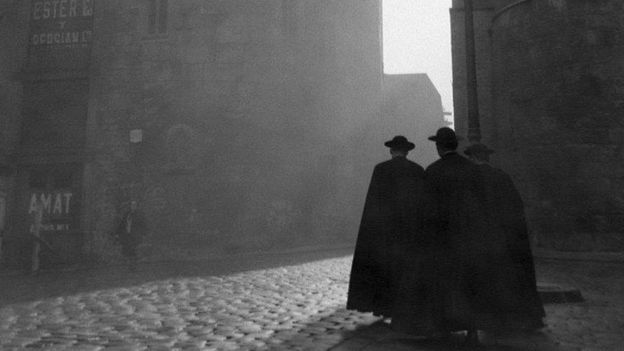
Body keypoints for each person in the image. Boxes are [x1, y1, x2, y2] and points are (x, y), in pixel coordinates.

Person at [413, 127, 498, 345]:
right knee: (469, 283)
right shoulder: (472, 169)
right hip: (468, 237)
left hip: (441, 238)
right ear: (456, 146)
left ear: (439, 147)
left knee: (443, 283)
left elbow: (425, 208)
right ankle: (471, 329)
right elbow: (483, 203)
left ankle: (443, 326)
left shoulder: (432, 170)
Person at [464, 143, 545, 332]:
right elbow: (516, 207)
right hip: (502, 236)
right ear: (486, 157)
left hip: (479, 237)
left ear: (473, 157)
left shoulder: (469, 178)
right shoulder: (502, 176)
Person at [346, 136, 425, 319]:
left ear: (391, 150)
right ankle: (405, 307)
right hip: (409, 230)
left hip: (385, 230)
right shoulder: (417, 170)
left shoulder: (381, 170)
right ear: (407, 152)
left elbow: (374, 203)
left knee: (385, 270)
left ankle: (385, 307)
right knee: (405, 270)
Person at [114, 200, 147, 272]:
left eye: (135, 205)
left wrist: (143, 234)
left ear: (137, 206)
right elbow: (122, 224)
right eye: (132, 205)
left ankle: (134, 266)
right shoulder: (127, 214)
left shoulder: (139, 215)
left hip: (135, 236)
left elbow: (143, 225)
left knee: (133, 250)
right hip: (127, 235)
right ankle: (130, 266)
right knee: (127, 250)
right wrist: (117, 233)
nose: (133, 207)